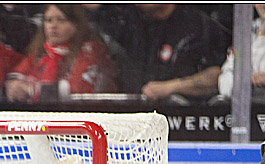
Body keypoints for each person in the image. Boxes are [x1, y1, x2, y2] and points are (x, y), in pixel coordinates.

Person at [95, 4, 229, 104]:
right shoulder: (129, 23)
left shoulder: (198, 26)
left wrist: (170, 88)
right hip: (135, 115)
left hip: (186, 117)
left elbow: (217, 76)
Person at [4, 4, 117, 103]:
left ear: (76, 24)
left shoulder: (91, 50)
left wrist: (32, 90)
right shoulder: (41, 51)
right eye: (49, 20)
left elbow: (77, 88)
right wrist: (14, 86)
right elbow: (18, 73)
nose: (53, 26)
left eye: (61, 20)